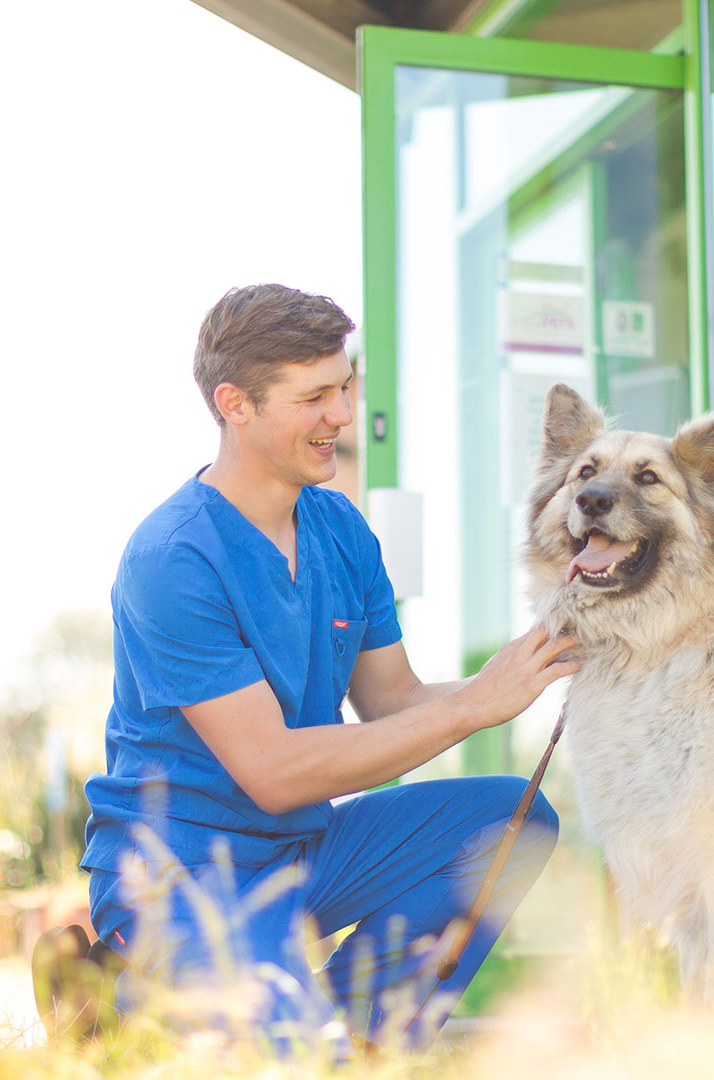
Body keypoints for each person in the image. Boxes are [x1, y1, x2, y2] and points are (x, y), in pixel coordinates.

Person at [34, 283, 579, 1055]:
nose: (344, 416)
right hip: (182, 876)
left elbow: (396, 700)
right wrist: (471, 709)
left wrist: (542, 666)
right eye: (315, 396)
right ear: (235, 404)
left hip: (302, 853)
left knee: (510, 821)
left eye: (346, 389)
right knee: (273, 1061)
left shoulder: (340, 530)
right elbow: (274, 773)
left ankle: (357, 1037)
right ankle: (119, 997)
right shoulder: (171, 560)